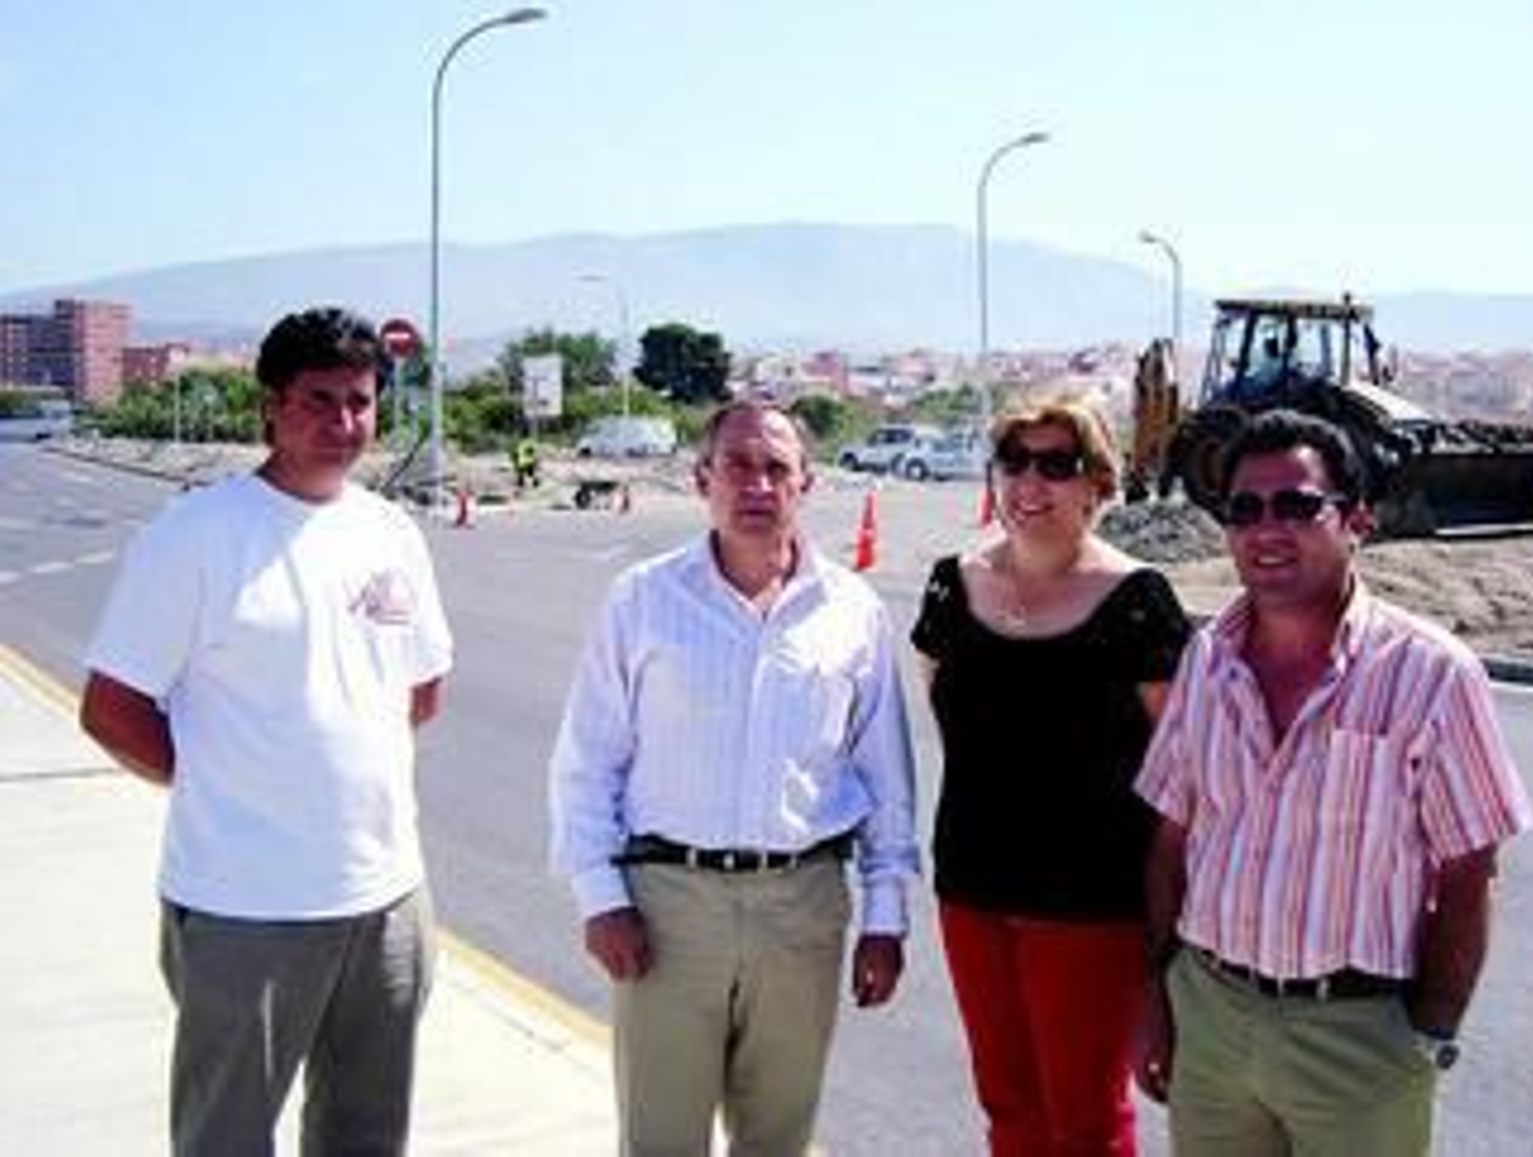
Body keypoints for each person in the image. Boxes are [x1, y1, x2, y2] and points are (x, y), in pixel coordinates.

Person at [79, 306, 455, 1156]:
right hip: (244, 906)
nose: (344, 423)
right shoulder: (198, 535)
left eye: (360, 402)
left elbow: (422, 688)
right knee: (227, 1136)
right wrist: (227, 781)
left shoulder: (390, 531)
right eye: (319, 400)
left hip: (387, 899)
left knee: (366, 1134)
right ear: (270, 406)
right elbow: (112, 706)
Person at [1135, 409, 1533, 1156]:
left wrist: (1428, 1034)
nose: (1266, 527)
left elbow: (1470, 867)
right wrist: (1155, 995)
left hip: (1356, 1037)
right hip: (1212, 1016)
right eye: (1244, 509)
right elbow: (1168, 839)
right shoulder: (1205, 660)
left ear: (1356, 519)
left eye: (1296, 504)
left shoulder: (1432, 673)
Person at [548, 397, 918, 1156]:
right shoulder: (645, 599)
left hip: (802, 909)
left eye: (777, 468)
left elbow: (887, 777)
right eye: (737, 465)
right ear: (701, 479)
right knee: (660, 1140)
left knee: (779, 1138)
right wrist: (600, 897)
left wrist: (886, 916)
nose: (757, 485)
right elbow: (588, 762)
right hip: (667, 912)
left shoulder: (852, 611)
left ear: (806, 484)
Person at [910, 393, 1192, 1156]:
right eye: (1014, 461)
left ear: (1098, 483)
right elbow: (953, 721)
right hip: (972, 889)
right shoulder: (949, 586)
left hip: (1091, 906)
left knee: (1086, 1121)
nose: (1030, 483)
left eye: (1057, 464)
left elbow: (1182, 772)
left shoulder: (1139, 602)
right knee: (1008, 1104)